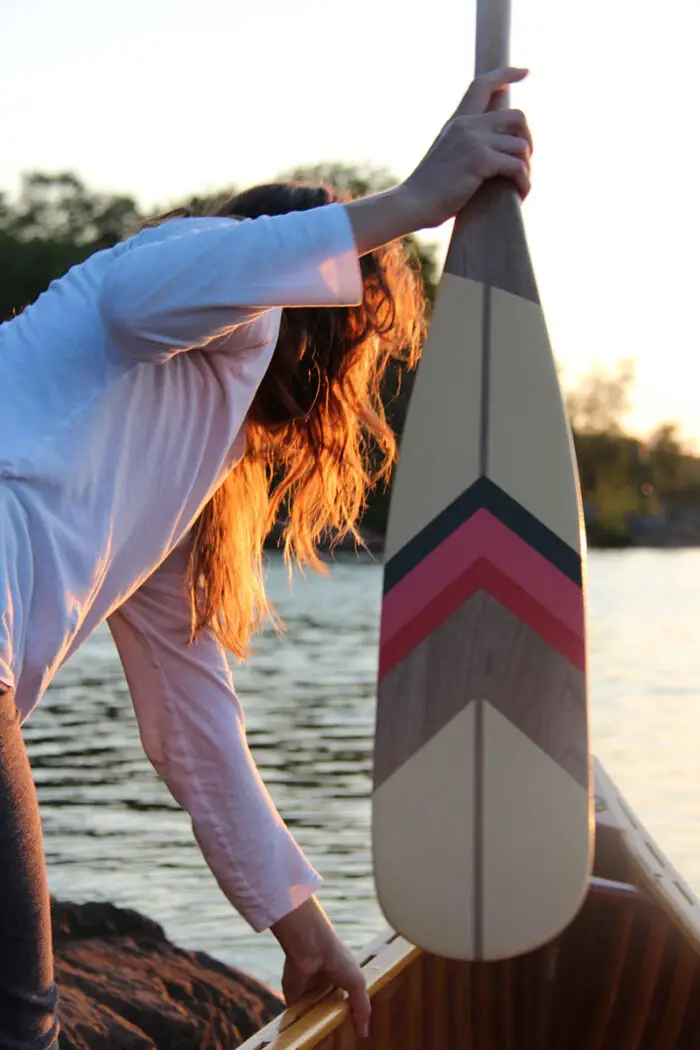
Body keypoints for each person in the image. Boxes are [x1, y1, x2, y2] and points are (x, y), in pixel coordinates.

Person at [0, 66, 532, 1047]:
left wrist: (302, 928)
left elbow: (197, 732)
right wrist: (410, 206)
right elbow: (169, 289)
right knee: (18, 1021)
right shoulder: (185, 285)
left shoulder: (166, 479)